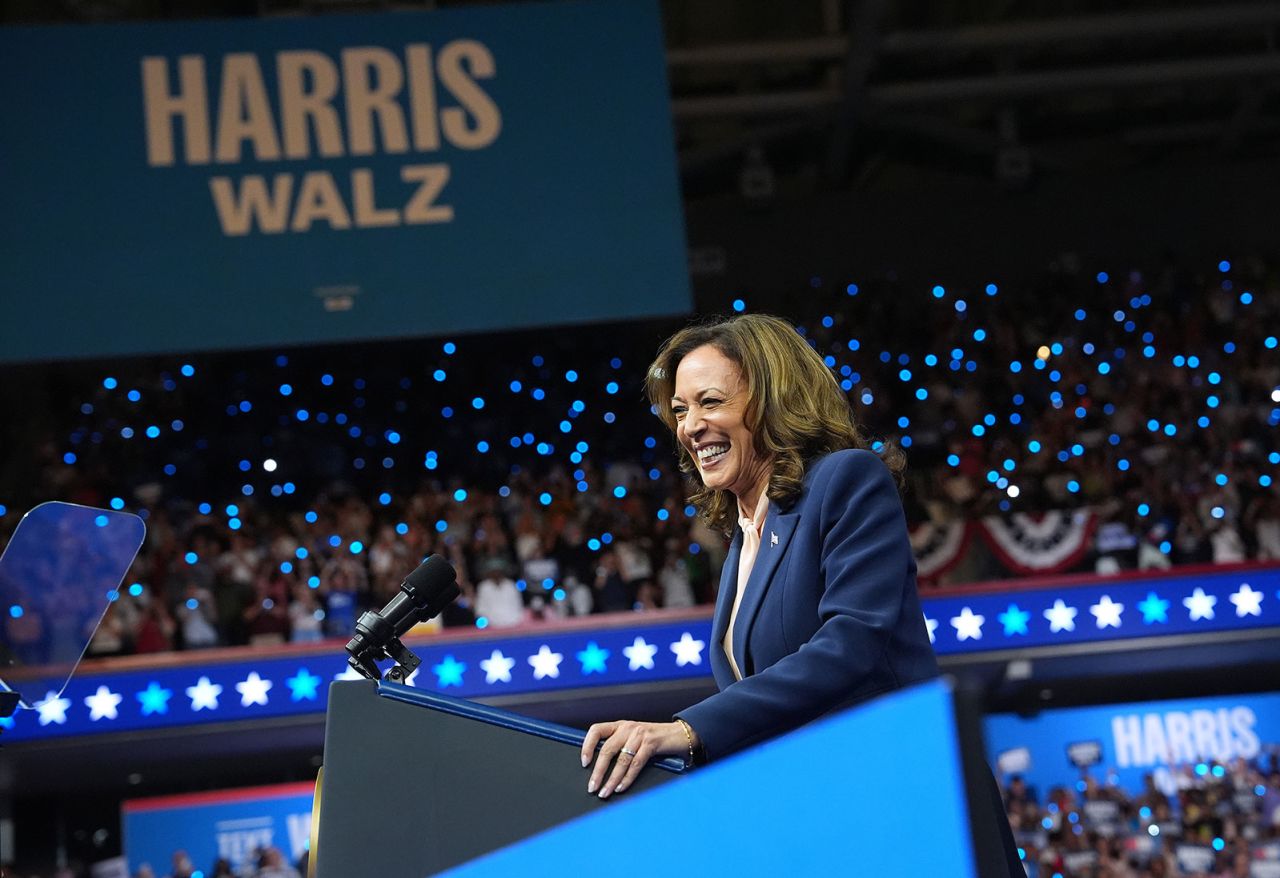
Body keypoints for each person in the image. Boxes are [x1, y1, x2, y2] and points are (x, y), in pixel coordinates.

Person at [579, 314, 1020, 872]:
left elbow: (852, 641)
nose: (690, 426)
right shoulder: (743, 539)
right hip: (824, 825)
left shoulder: (847, 479)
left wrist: (688, 728)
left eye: (709, 402)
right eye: (681, 410)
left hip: (906, 810)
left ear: (769, 400)